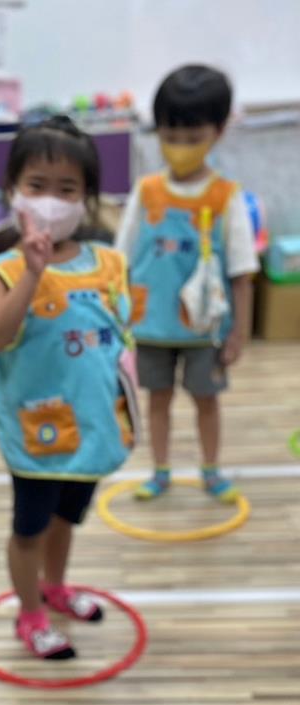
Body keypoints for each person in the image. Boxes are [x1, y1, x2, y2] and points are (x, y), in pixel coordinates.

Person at [0, 116, 136, 660]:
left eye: (67, 188)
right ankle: (30, 614)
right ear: (13, 190)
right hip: (39, 433)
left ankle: (56, 586)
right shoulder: (1, 269)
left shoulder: (109, 263)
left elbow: (120, 338)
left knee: (66, 520)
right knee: (29, 530)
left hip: (93, 426)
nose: (51, 200)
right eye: (37, 185)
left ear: (86, 198)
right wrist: (31, 272)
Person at [115, 64, 258, 502]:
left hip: (205, 329)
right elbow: (119, 260)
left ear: (219, 131)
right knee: (157, 399)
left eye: (192, 137)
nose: (179, 147)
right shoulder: (146, 191)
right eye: (170, 136)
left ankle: (211, 471)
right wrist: (117, 320)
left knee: (206, 401)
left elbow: (242, 272)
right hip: (150, 327)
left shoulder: (227, 196)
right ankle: (160, 471)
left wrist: (239, 334)